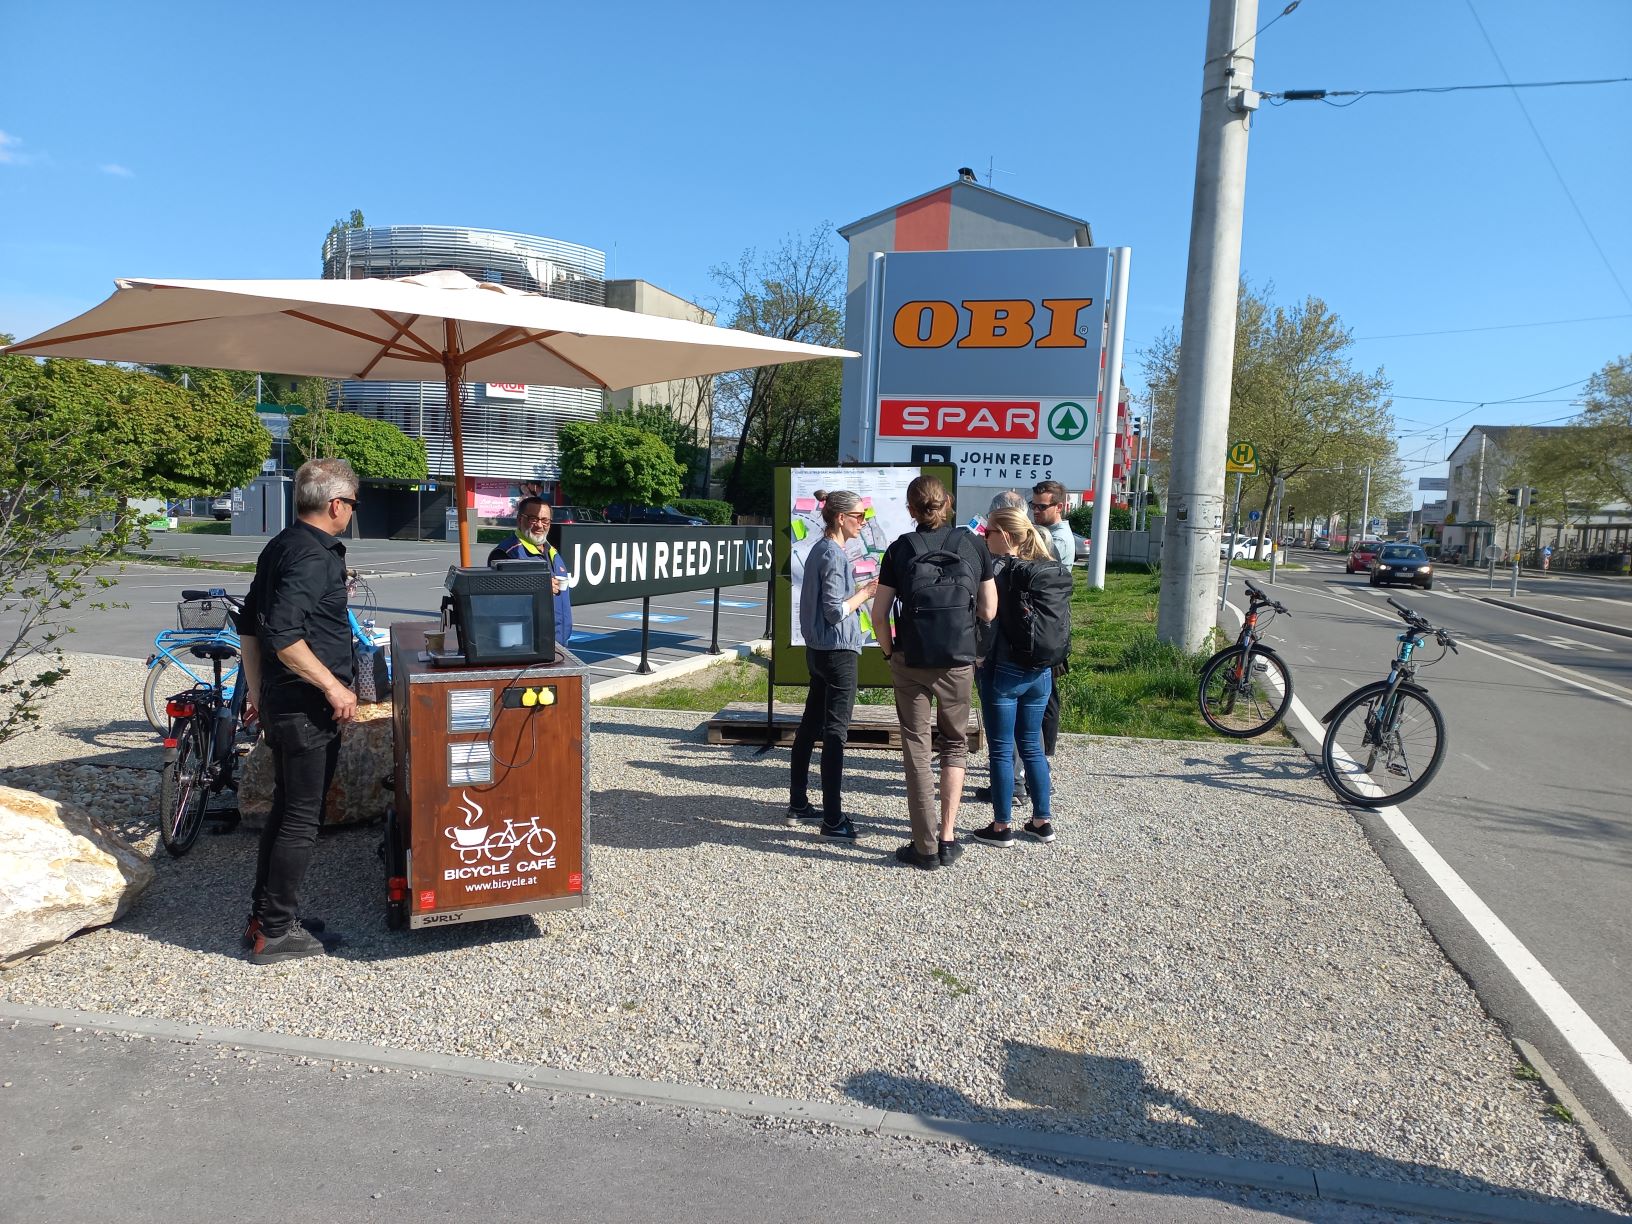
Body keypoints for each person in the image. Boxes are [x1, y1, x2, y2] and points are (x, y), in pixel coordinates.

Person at [237, 459, 359, 964]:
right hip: (306, 708)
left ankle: (267, 917)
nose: (352, 512)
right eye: (352, 504)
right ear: (335, 505)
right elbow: (282, 635)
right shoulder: (315, 556)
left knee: (286, 810)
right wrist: (335, 688)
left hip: (281, 702)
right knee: (300, 820)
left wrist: (257, 691)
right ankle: (274, 930)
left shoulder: (281, 545)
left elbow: (248, 623)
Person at [871, 475, 997, 871]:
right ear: (948, 504)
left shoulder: (900, 549)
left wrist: (891, 651)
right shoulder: (974, 545)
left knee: (916, 748)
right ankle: (947, 837)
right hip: (958, 661)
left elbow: (879, 613)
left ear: (911, 509)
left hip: (911, 659)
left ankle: (923, 847)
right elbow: (990, 610)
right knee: (955, 744)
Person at [787, 490, 877, 839]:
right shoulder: (833, 555)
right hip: (838, 652)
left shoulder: (819, 550)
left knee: (810, 726)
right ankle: (833, 819)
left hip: (819, 651)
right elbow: (835, 610)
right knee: (835, 735)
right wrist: (866, 593)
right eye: (858, 516)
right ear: (840, 518)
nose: (863, 522)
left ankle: (799, 802)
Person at [972, 507, 1062, 848]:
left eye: (989, 532)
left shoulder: (998, 572)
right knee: (1032, 747)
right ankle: (1042, 821)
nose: (984, 538)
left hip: (1005, 670)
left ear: (1006, 536)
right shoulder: (1045, 568)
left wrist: (978, 657)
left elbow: (988, 620)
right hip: (1041, 671)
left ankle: (1001, 826)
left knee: (1000, 749)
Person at [487, 496, 573, 647]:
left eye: (545, 520)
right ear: (520, 519)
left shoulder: (552, 551)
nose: (540, 525)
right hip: (525, 647)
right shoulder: (506, 553)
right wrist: (538, 586)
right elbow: (496, 597)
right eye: (533, 519)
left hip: (558, 643)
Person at [1028, 480, 1074, 758]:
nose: (1035, 511)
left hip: (1049, 623)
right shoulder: (1046, 531)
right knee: (1045, 691)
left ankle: (1042, 755)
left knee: (1046, 695)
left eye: (1041, 507)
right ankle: (1038, 756)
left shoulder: (1055, 539)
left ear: (1059, 507)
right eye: (1033, 505)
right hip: (1050, 621)